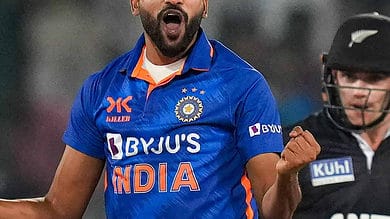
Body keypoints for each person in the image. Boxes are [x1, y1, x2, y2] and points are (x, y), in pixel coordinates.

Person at [0, 0, 321, 218]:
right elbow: (58, 210)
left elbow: (273, 210)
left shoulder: (242, 85)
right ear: (135, 2)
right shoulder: (101, 90)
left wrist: (287, 175)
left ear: (205, 5)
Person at [283, 12, 390, 219]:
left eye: (374, 78)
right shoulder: (293, 146)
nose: (358, 90)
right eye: (348, 76)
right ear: (332, 76)